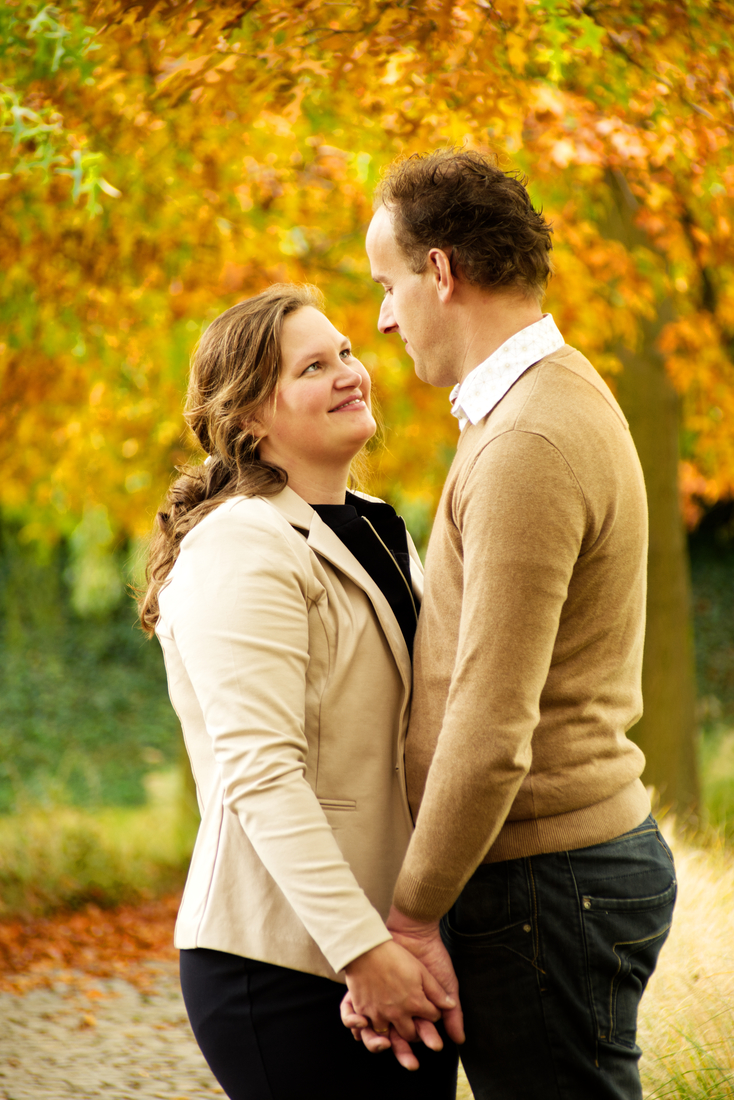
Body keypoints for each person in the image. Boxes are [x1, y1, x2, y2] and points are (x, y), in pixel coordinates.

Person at [347, 149, 677, 1099]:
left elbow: (492, 732)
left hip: (546, 887)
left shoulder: (528, 438)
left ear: (440, 272)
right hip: (553, 884)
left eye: (387, 283)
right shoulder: (532, 409)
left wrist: (410, 920)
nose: (381, 316)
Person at [138, 284, 461, 1100]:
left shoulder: (381, 522)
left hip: (398, 945)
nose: (351, 373)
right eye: (314, 367)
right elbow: (261, 773)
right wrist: (364, 952)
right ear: (249, 418)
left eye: (347, 352)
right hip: (281, 958)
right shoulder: (239, 545)